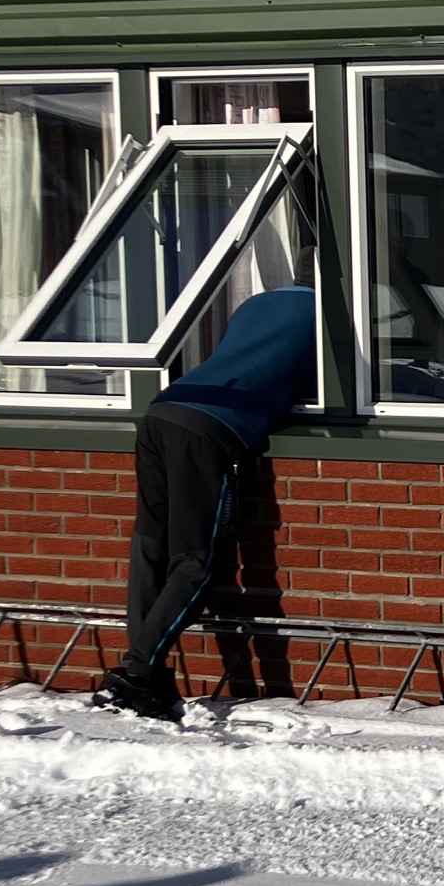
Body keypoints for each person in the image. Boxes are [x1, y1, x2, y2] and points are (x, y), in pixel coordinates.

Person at [94, 283, 317, 723]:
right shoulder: (328, 311)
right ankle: (135, 674)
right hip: (210, 428)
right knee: (196, 561)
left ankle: (143, 673)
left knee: (150, 548)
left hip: (164, 409)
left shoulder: (257, 303)